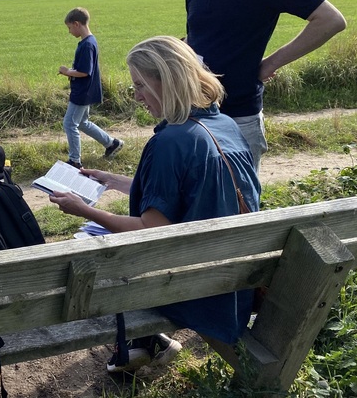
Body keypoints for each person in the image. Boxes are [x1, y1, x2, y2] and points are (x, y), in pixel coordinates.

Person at [49, 36, 261, 373]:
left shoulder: (170, 142)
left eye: (140, 85)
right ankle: (146, 342)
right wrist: (112, 180)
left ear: (168, 80)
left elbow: (151, 230)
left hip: (198, 291)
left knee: (91, 246)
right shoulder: (225, 125)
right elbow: (191, 193)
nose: (137, 96)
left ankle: (143, 341)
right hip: (233, 276)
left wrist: (84, 209)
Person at [175, 0, 347, 170]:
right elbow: (200, 37)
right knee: (196, 192)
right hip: (194, 113)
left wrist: (271, 63)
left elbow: (331, 20)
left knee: (239, 193)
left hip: (239, 116)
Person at [58, 7, 123, 168]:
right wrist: (71, 72)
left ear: (77, 24)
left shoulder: (87, 45)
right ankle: (112, 144)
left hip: (82, 91)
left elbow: (85, 72)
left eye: (69, 28)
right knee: (82, 122)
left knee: (69, 124)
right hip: (86, 90)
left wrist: (67, 72)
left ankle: (75, 161)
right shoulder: (89, 41)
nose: (69, 31)